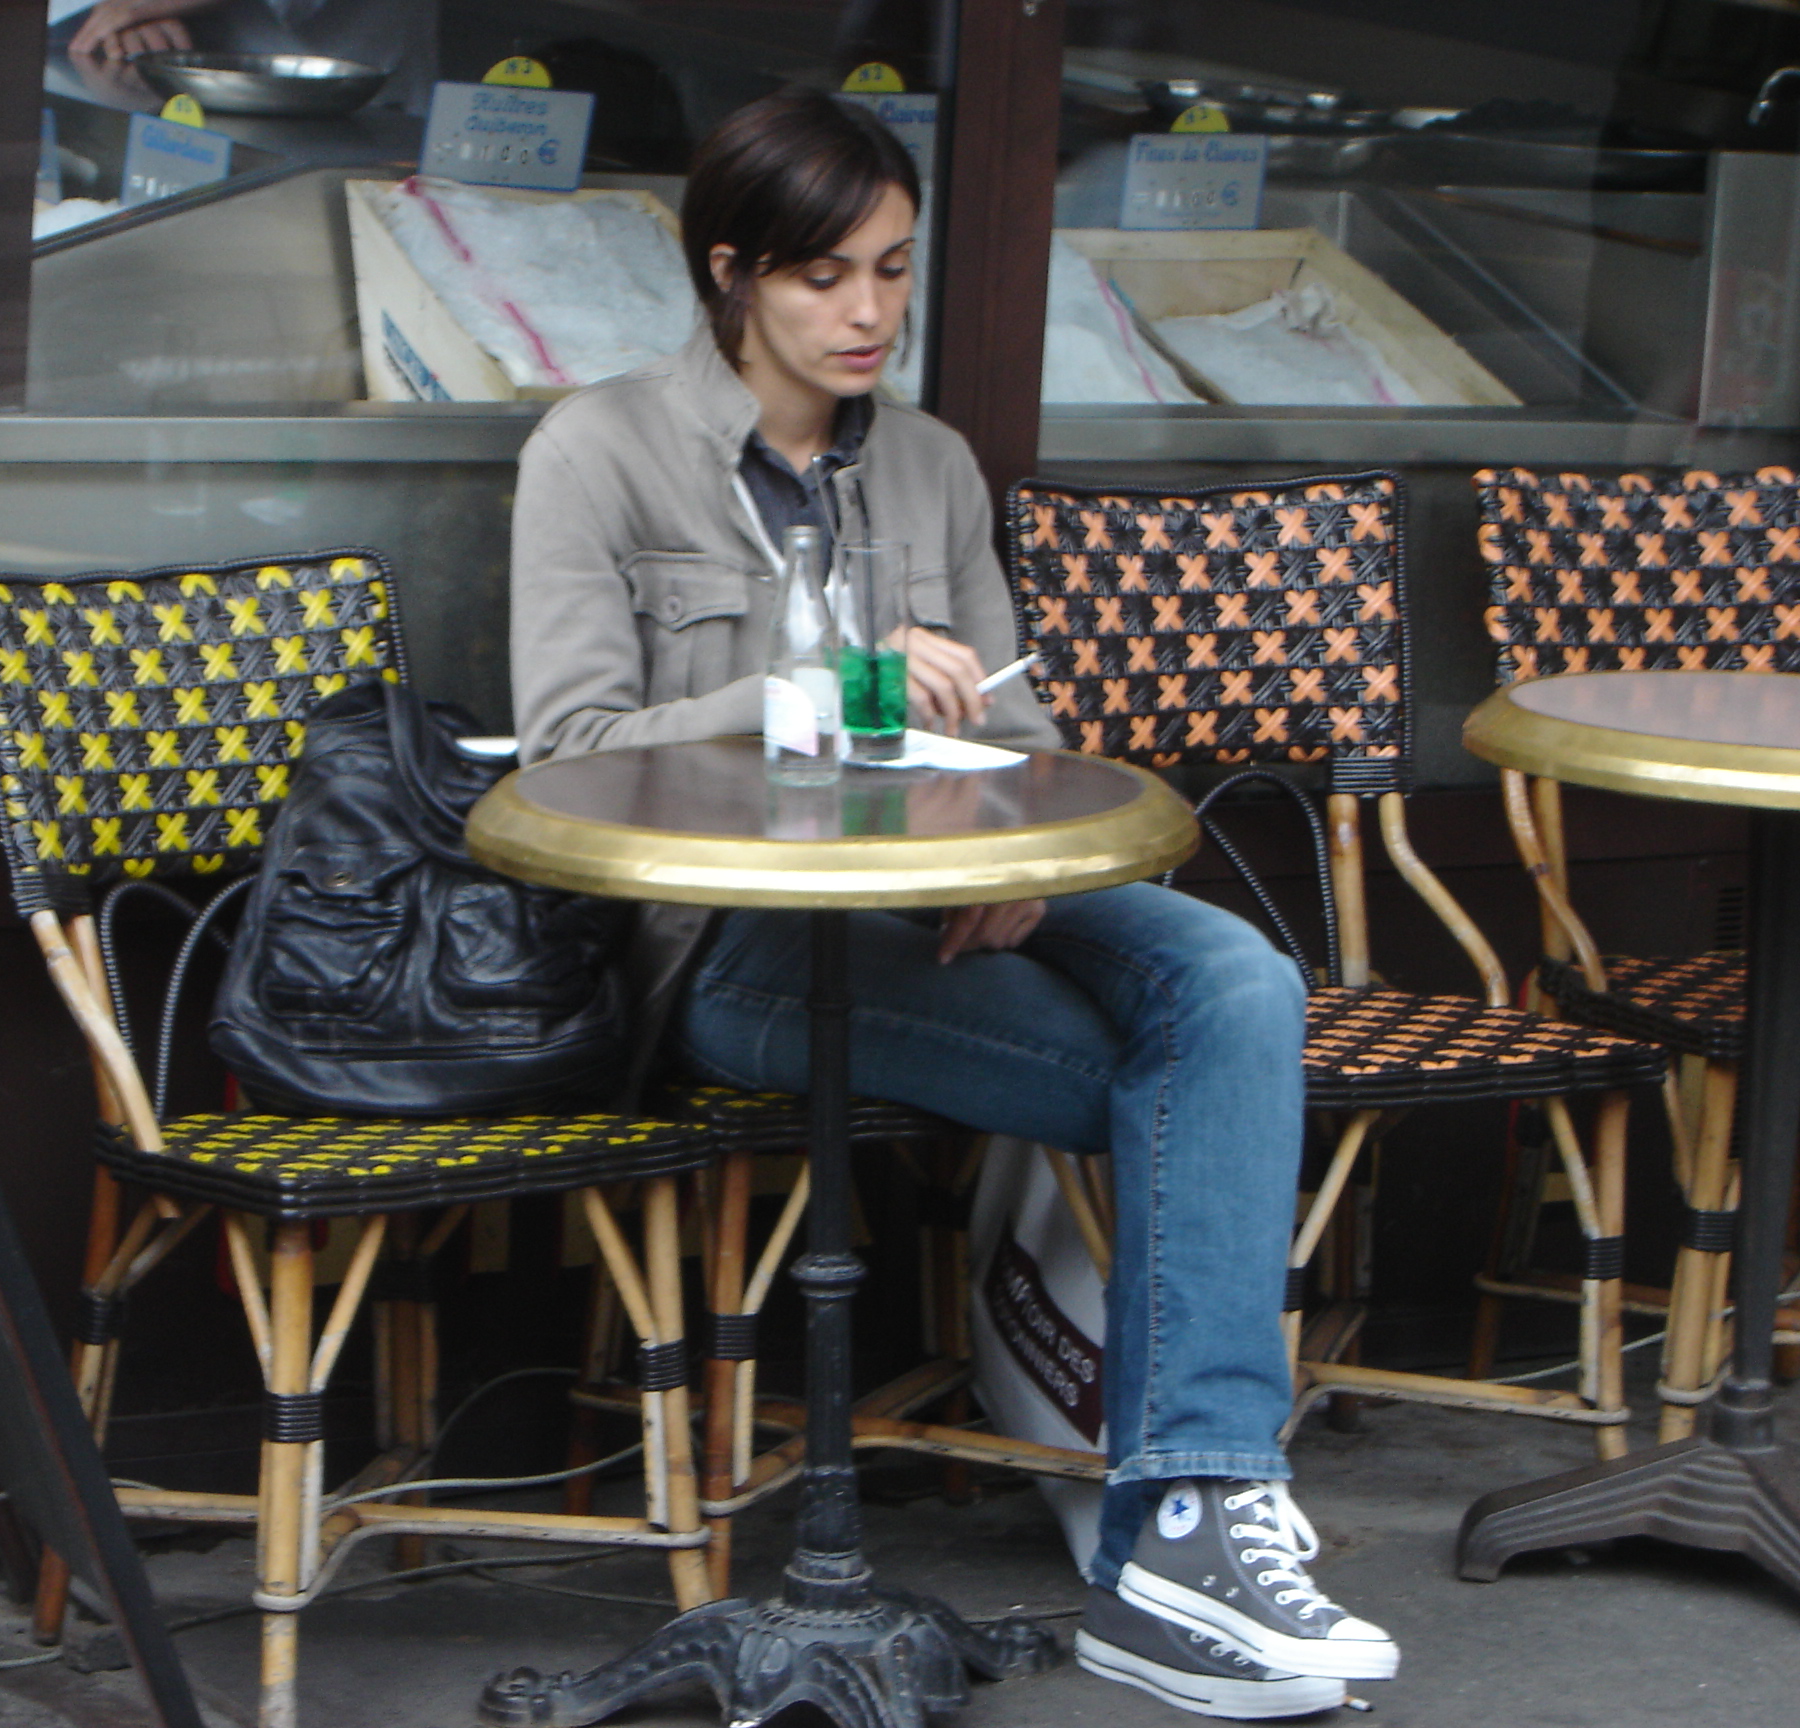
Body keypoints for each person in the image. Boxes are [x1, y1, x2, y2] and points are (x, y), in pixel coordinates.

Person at [507, 89, 1400, 1720]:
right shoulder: (600, 450)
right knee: (1188, 1080)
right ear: (733, 272)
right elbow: (568, 754)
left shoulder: (926, 463)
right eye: (825, 276)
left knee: (1240, 985)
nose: (870, 312)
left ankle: (1192, 1518)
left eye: (895, 268)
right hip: (741, 942)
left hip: (949, 887)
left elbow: (1021, 728)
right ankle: (1183, 1536)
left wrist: (1021, 860)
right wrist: (806, 692)